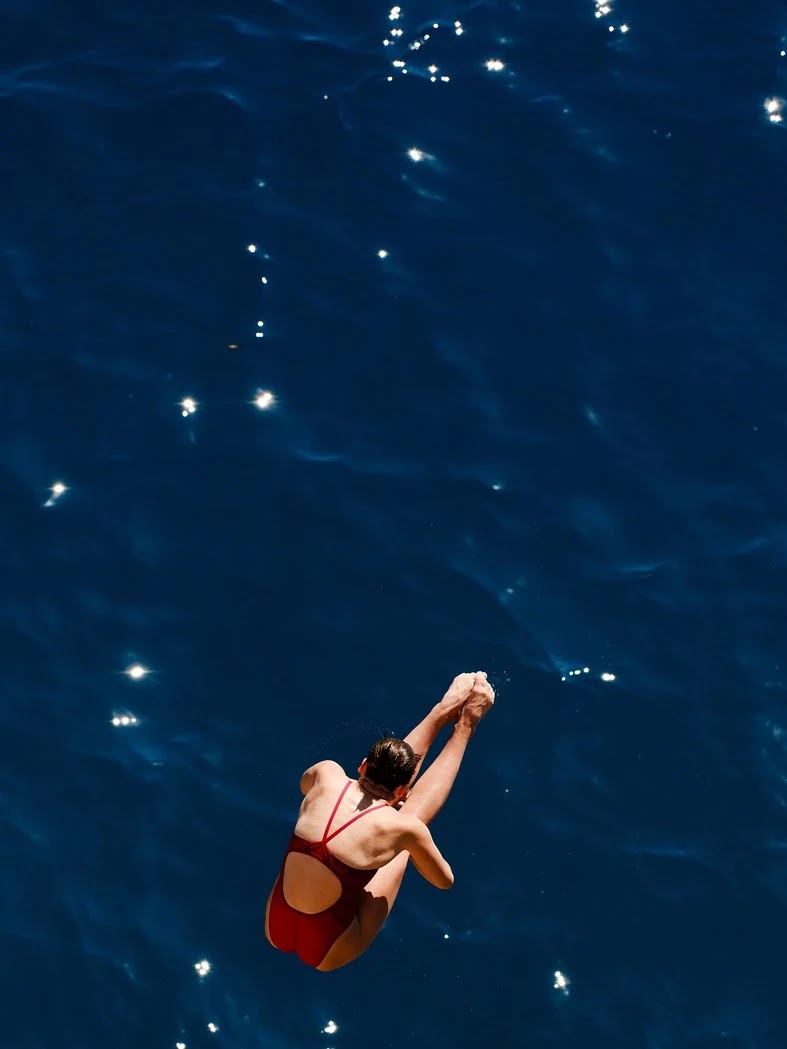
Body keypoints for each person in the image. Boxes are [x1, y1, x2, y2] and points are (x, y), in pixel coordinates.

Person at [264, 671, 495, 971]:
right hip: (327, 949)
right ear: (403, 791)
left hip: (275, 924)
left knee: (379, 836)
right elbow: (444, 881)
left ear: (363, 764)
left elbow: (304, 786)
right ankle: (464, 725)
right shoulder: (402, 828)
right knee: (406, 829)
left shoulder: (326, 773)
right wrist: (410, 838)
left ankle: (440, 711)